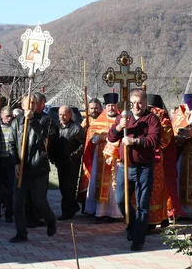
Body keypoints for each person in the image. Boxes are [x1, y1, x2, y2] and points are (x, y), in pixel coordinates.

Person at [108, 89, 162, 251]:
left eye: (139, 102)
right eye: (133, 103)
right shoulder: (124, 117)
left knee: (142, 206)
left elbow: (154, 141)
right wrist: (118, 128)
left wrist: (135, 141)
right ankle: (132, 226)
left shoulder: (152, 119)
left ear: (145, 103)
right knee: (120, 200)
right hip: (125, 166)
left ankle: (138, 239)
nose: (136, 106)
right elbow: (111, 138)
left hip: (144, 167)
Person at [9, 95, 58, 243]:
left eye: (33, 103)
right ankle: (21, 233)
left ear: (37, 105)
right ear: (23, 106)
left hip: (38, 167)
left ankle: (50, 219)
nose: (30, 106)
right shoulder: (16, 122)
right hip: (21, 168)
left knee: (39, 201)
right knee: (17, 202)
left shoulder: (45, 120)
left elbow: (45, 138)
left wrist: (33, 121)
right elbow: (11, 143)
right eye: (28, 104)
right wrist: (15, 163)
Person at [80, 93, 123, 221]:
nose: (111, 108)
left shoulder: (122, 120)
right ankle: (99, 211)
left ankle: (114, 213)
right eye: (109, 105)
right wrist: (102, 137)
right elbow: (92, 138)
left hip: (116, 159)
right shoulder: (100, 120)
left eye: (114, 106)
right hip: (100, 158)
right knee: (99, 183)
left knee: (113, 186)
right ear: (106, 106)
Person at [146, 93, 183, 226]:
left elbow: (165, 140)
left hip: (158, 158)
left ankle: (159, 217)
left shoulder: (161, 115)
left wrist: (149, 140)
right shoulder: (160, 115)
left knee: (158, 189)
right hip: (149, 156)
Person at [54, 105, 86, 220]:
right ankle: (73, 206)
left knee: (69, 187)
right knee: (63, 187)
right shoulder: (56, 127)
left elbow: (83, 144)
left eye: (65, 114)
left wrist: (74, 155)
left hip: (72, 163)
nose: (62, 117)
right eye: (60, 114)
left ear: (70, 115)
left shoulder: (76, 128)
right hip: (60, 161)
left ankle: (67, 212)